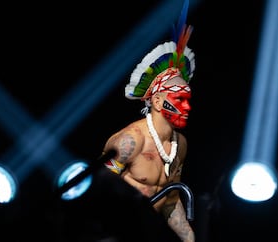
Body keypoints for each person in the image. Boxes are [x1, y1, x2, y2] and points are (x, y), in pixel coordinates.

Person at [101, 1, 196, 241]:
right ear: (157, 102)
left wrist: (189, 237)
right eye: (179, 99)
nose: (187, 107)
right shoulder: (130, 141)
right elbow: (98, 194)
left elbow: (170, 200)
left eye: (188, 99)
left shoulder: (179, 144)